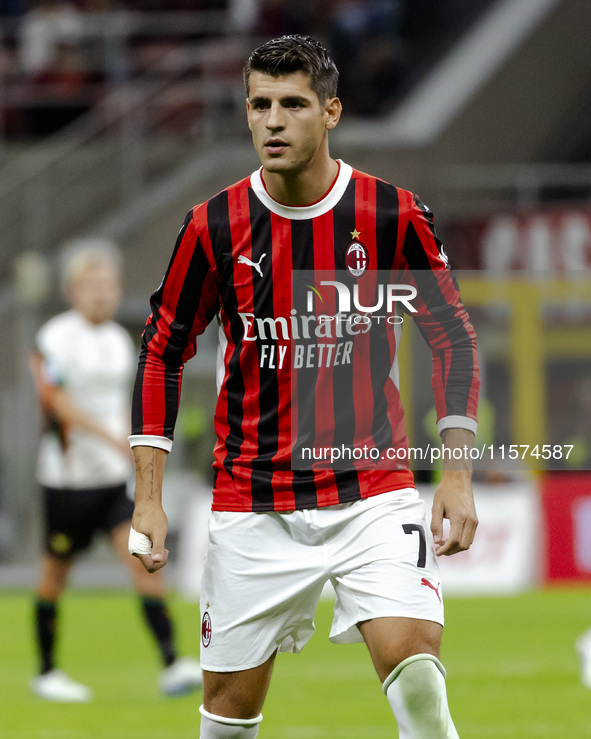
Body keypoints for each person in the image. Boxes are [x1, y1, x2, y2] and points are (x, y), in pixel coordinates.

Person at [128, 35, 479, 738]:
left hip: (370, 491)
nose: (273, 121)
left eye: (292, 104)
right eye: (259, 105)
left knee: (413, 665)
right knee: (229, 711)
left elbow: (451, 334)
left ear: (331, 112)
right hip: (252, 502)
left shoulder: (389, 214)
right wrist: (149, 497)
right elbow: (163, 349)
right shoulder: (211, 226)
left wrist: (457, 475)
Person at [29, 240, 203, 702]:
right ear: (72, 291)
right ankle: (47, 672)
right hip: (66, 482)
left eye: (107, 284)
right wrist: (110, 438)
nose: (100, 293)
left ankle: (172, 663)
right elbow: (55, 401)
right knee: (54, 577)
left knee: (144, 561)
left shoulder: (120, 342)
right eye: (91, 285)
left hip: (111, 482)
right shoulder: (55, 337)